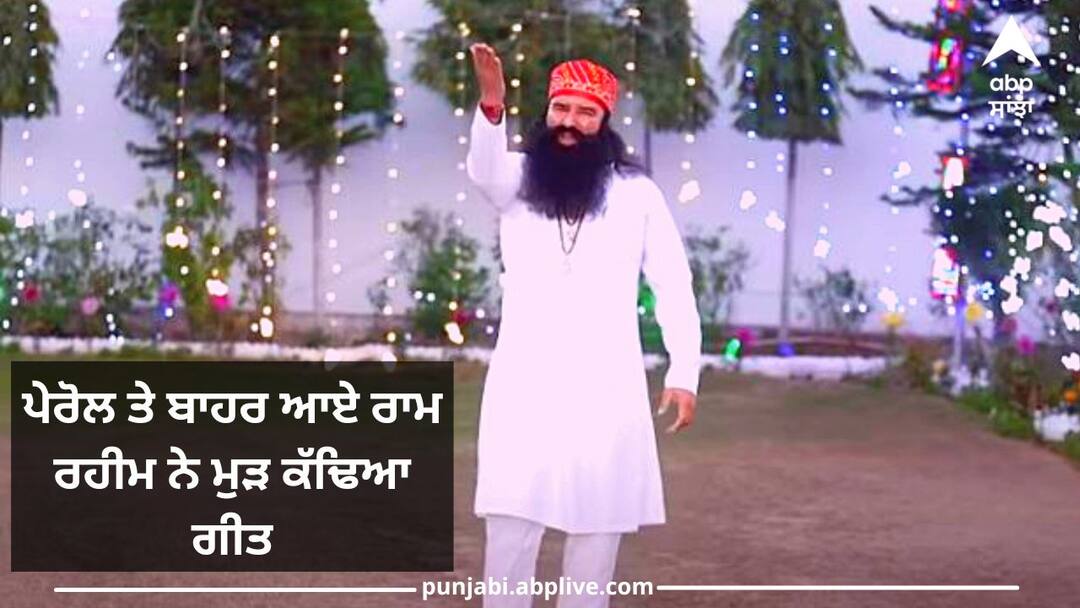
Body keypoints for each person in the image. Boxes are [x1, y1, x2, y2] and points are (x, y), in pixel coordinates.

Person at [466, 43, 702, 608]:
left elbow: (672, 281)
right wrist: (492, 103)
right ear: (547, 111)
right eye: (561, 109)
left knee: (597, 527)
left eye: (584, 112)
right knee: (511, 522)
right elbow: (484, 169)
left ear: (604, 121)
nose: (569, 122)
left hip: (606, 386)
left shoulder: (636, 194)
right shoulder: (517, 179)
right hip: (524, 382)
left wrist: (684, 371)